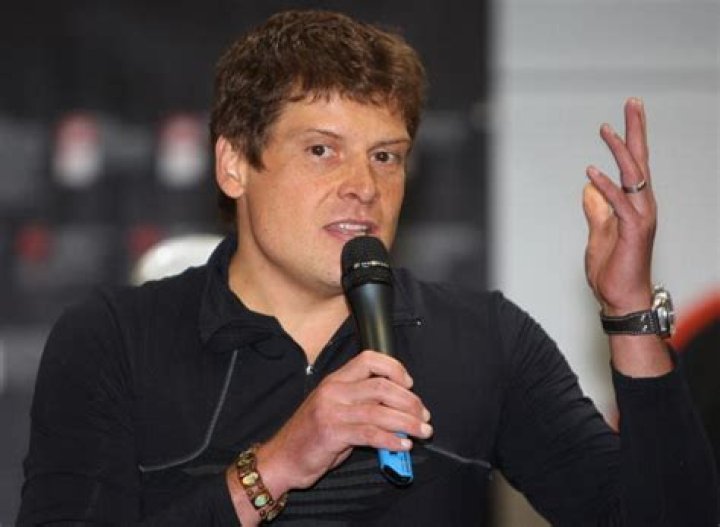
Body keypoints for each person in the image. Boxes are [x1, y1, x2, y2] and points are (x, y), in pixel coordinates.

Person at [17, 9, 717, 526]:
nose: (363, 185)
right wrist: (272, 470)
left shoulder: (483, 339)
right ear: (234, 163)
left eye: (386, 156)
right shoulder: (116, 339)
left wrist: (629, 311)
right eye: (322, 150)